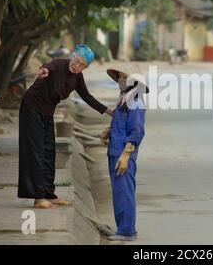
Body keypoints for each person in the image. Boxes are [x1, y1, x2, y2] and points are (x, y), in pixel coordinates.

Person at [18, 45, 113, 209]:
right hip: (31, 108)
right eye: (77, 61)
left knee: (49, 151)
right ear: (73, 57)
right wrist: (44, 71)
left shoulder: (77, 78)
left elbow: (87, 97)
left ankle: (49, 194)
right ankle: (38, 197)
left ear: (86, 67)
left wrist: (108, 111)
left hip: (47, 112)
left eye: (82, 65)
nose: (77, 66)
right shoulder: (59, 64)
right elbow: (48, 67)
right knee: (36, 151)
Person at [101, 67, 148, 241]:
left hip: (123, 155)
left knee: (124, 192)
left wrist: (126, 156)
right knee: (118, 192)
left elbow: (137, 132)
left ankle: (127, 231)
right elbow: (122, 124)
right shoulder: (124, 100)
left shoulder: (136, 103)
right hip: (115, 152)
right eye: (120, 78)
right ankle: (122, 228)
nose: (121, 80)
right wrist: (109, 131)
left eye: (125, 78)